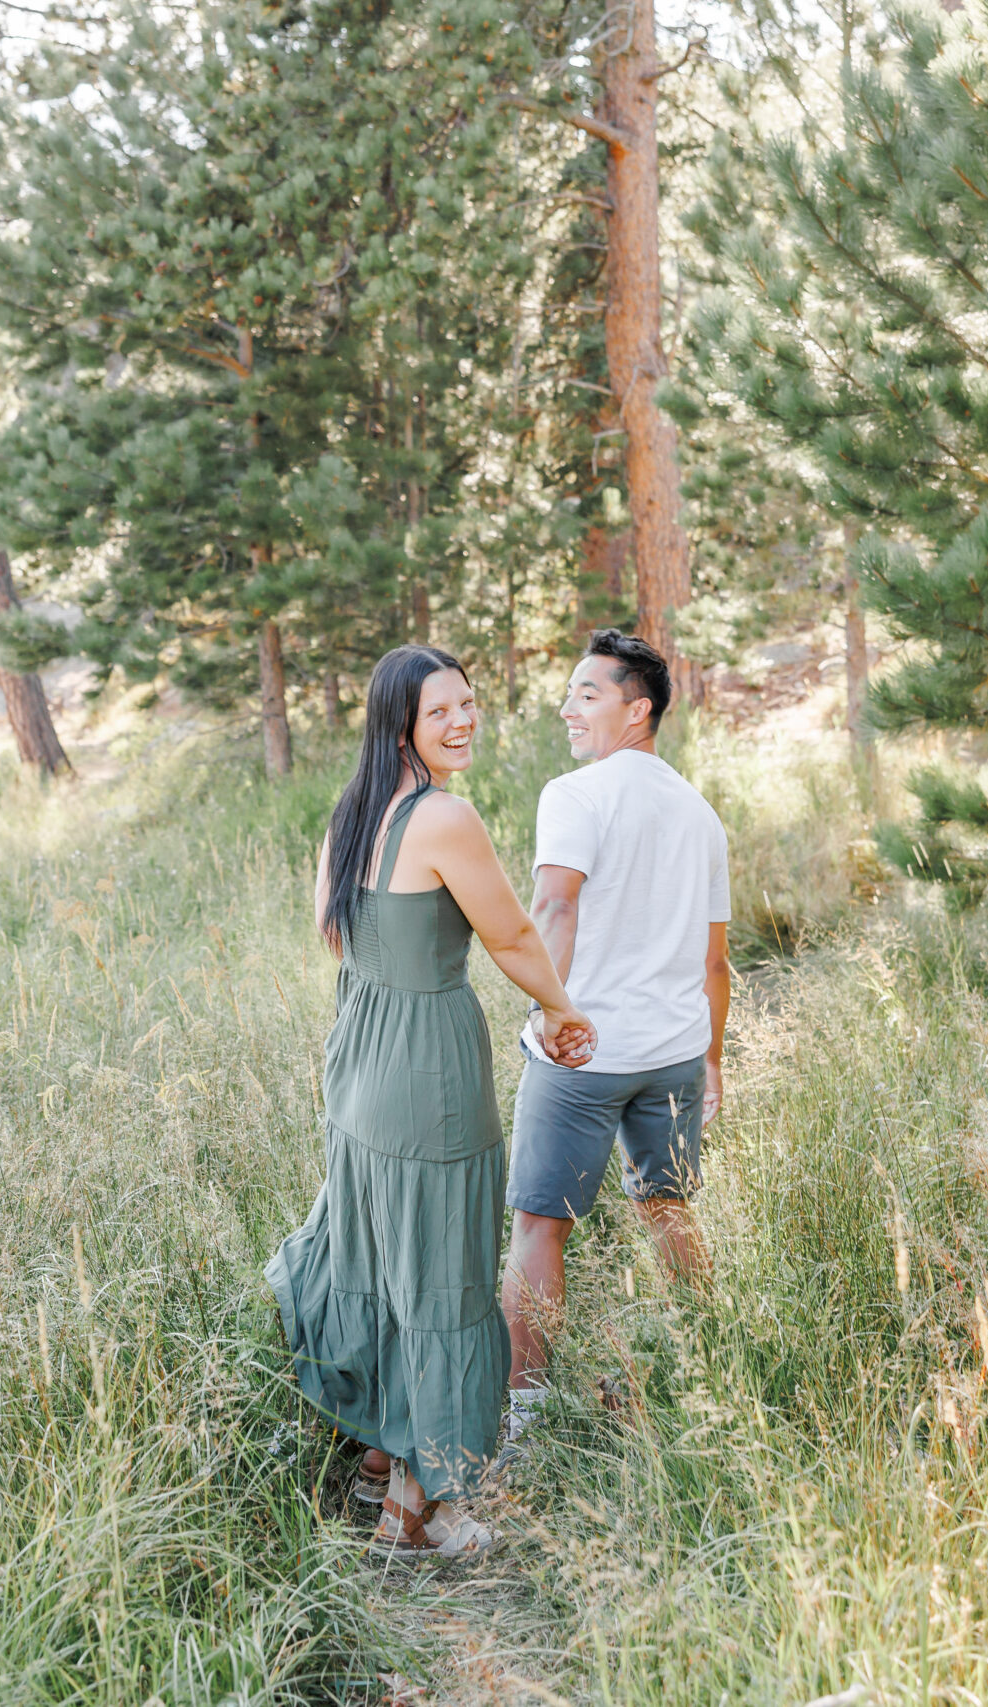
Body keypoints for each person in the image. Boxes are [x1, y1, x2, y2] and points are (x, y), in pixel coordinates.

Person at [266, 643, 596, 1561]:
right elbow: (514, 934)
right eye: (440, 710)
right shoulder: (446, 817)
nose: (462, 722)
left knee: (379, 1258)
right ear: (400, 722)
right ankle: (416, 1509)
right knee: (443, 1281)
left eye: (469, 704)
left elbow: (338, 939)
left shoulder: (349, 815)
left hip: (359, 1068)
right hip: (427, 1076)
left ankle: (378, 1453)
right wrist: (563, 1011)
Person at [499, 630, 730, 1450]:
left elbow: (554, 910)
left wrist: (544, 1016)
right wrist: (711, 1063)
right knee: (670, 1208)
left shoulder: (575, 793)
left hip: (584, 1052)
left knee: (538, 1225)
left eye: (587, 693)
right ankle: (712, 1374)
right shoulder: (700, 813)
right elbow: (715, 960)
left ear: (639, 711)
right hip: (672, 1051)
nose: (568, 706)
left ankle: (521, 1421)